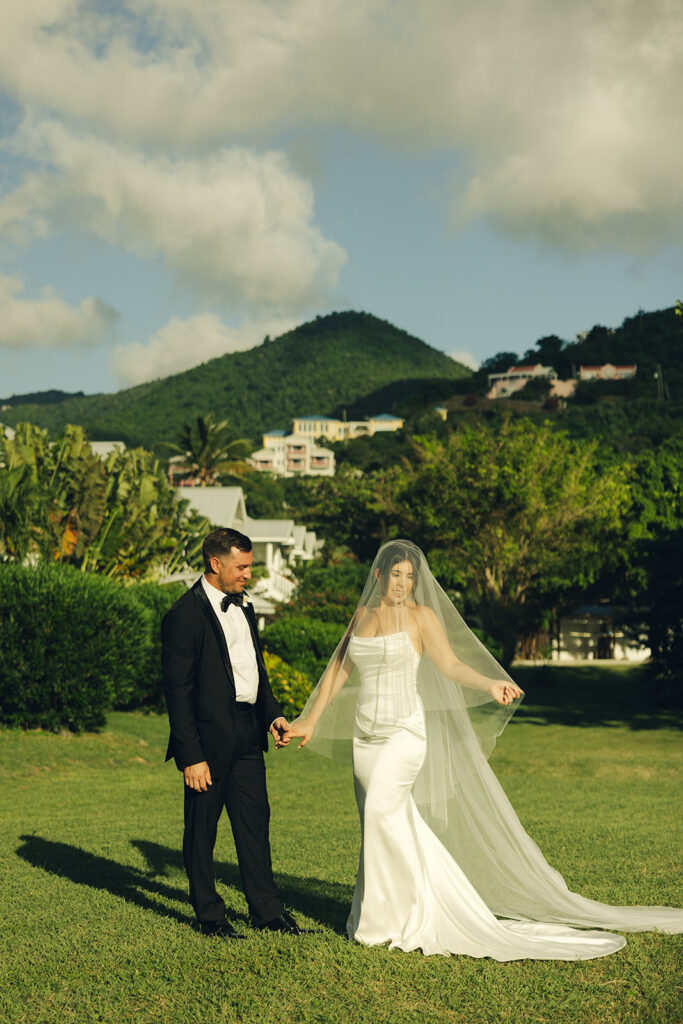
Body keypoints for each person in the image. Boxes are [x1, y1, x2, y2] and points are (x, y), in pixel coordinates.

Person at [286, 540, 683, 960]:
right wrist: (309, 720)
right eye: (396, 575)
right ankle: (393, 911)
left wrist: (490, 684)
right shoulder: (362, 616)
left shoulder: (421, 618)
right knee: (382, 823)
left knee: (383, 812)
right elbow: (338, 668)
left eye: (410, 577)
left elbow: (451, 665)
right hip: (366, 739)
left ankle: (388, 923)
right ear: (379, 576)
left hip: (403, 735)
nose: (402, 584)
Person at [162, 527, 300, 938]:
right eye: (241, 567)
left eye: (250, 566)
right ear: (215, 563)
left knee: (255, 825)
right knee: (201, 833)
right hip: (206, 743)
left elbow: (254, 670)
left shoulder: (245, 607)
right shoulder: (183, 616)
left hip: (247, 736)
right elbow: (178, 693)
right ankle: (210, 916)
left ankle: (267, 911)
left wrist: (271, 715)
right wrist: (190, 756)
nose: (247, 575)